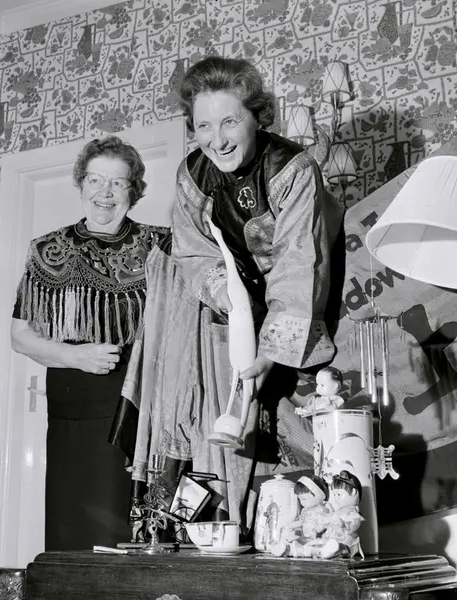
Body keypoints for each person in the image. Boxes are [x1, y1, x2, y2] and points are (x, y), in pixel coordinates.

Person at [127, 56, 343, 530]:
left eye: (230, 121)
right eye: (204, 126)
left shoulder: (292, 169)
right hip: (235, 309)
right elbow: (192, 250)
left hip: (303, 307)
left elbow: (299, 265)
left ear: (256, 117)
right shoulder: (192, 176)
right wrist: (227, 298)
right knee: (226, 424)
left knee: (297, 429)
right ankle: (224, 531)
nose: (217, 139)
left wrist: (271, 351)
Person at [11, 135, 167, 551]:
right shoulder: (47, 250)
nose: (105, 192)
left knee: (134, 533)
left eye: (118, 182)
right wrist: (75, 355)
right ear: (81, 184)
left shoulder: (161, 246)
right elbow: (20, 336)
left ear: (134, 190)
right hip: (74, 410)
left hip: (142, 409)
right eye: (95, 180)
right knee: (75, 533)